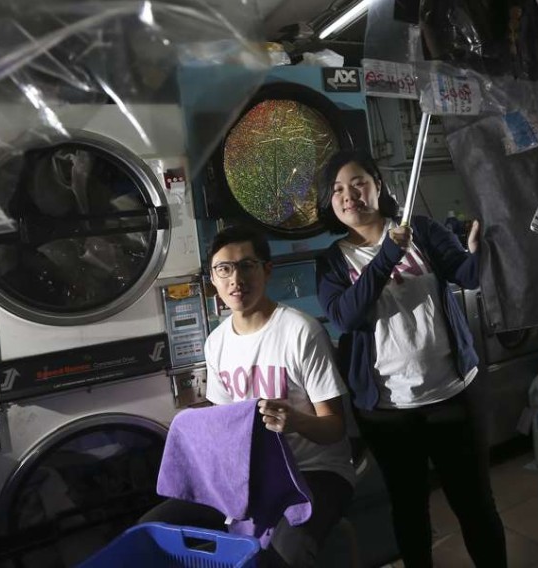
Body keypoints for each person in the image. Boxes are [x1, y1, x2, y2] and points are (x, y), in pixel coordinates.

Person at [314, 150, 507, 568]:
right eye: (338, 190)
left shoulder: (420, 229)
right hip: (389, 413)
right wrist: (386, 255)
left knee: (475, 505)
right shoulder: (332, 260)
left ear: (378, 185)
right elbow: (347, 315)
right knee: (409, 509)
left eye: (358, 183)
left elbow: (466, 274)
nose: (350, 195)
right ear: (330, 202)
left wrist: (480, 255)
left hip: (454, 395)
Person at [141, 225, 354, 568]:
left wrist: (295, 421)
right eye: (224, 269)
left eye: (247, 266)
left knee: (282, 552)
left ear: (267, 270)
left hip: (316, 471)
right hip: (250, 475)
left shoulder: (300, 332)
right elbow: (228, 435)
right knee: (154, 529)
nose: (235, 278)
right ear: (213, 279)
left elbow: (335, 429)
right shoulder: (217, 343)